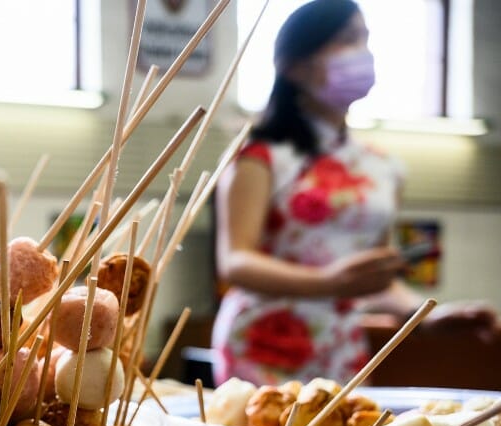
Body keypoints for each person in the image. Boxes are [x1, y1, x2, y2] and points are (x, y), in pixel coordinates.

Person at [211, 0, 497, 386]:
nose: (363, 52)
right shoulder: (258, 156)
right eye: (347, 39)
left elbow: (374, 278)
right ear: (294, 64)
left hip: (340, 345)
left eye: (366, 38)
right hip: (263, 342)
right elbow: (235, 260)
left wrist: (426, 314)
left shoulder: (382, 168)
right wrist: (330, 283)